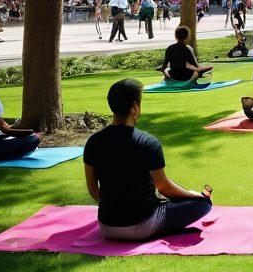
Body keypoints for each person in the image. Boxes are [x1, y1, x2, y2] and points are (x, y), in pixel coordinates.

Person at [83, 79, 213, 241]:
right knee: (204, 204)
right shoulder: (147, 142)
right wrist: (194, 196)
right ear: (135, 107)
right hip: (142, 226)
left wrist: (116, 205)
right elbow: (164, 187)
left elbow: (93, 191)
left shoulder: (93, 142)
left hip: (107, 227)